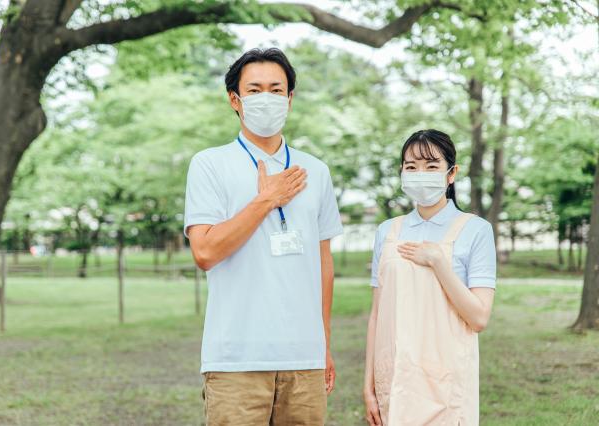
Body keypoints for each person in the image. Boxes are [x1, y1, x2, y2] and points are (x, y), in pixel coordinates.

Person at [183, 47, 343, 425]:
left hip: (304, 360)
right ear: (234, 100)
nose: (266, 98)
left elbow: (323, 263)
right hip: (237, 359)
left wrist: (324, 346)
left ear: (289, 99)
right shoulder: (209, 164)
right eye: (254, 90)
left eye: (276, 89)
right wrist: (266, 200)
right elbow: (204, 252)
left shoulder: (316, 171)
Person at [363, 129, 496, 426]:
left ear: (451, 174)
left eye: (431, 166)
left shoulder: (475, 230)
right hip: (395, 379)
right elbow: (376, 315)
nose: (420, 173)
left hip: (447, 381)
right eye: (411, 167)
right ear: (401, 173)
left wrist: (438, 263)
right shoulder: (388, 231)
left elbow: (479, 318)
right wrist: (368, 385)